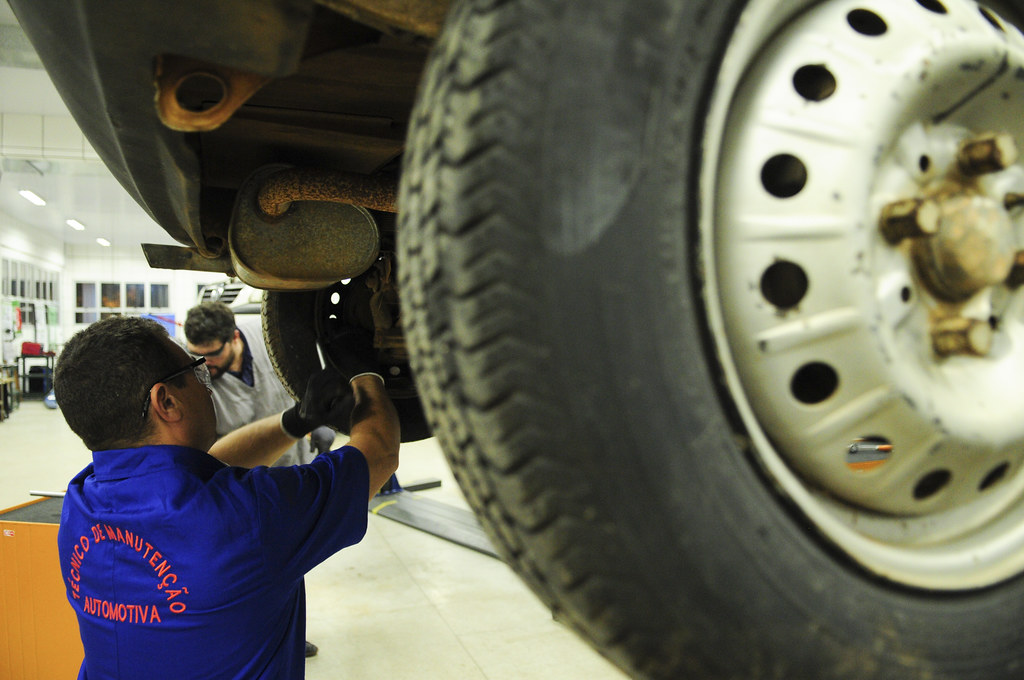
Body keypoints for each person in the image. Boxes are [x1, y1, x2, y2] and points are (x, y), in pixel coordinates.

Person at [53, 316, 400, 680]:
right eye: (197, 373)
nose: (208, 387)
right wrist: (364, 372)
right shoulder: (250, 516)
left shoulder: (79, 505)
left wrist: (296, 422)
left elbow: (205, 469)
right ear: (167, 402)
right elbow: (378, 454)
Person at [183, 301, 334, 465]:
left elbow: (310, 374)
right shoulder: (193, 380)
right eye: (196, 354)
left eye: (213, 354)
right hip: (243, 478)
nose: (203, 363)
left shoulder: (271, 337)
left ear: (234, 337)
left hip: (297, 461)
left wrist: (322, 421)